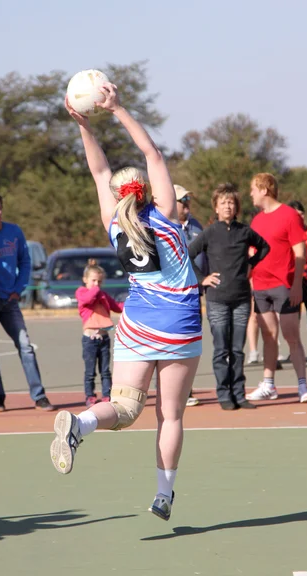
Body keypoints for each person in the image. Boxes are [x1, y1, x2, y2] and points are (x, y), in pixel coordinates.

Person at [50, 83, 202, 521]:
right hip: (179, 326)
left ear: (119, 198)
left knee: (126, 408)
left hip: (135, 325)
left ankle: (81, 424)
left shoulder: (114, 227)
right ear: (146, 190)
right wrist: (116, 109)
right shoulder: (168, 215)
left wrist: (83, 127)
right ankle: (163, 495)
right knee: (169, 415)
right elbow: (152, 152)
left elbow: (99, 173)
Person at [188, 183, 270, 410]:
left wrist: (250, 265)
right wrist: (202, 278)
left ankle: (238, 393)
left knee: (237, 350)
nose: (227, 206)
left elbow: (264, 247)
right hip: (217, 299)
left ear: (237, 207)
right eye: (223, 202)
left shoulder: (244, 231)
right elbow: (187, 254)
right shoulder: (209, 233)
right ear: (215, 207)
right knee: (221, 349)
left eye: (231, 202)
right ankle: (224, 394)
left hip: (242, 298)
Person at [0, 190, 55, 412]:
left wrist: (18, 289)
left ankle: (39, 396)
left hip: (10, 301)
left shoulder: (14, 232)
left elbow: (25, 262)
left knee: (25, 346)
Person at [247, 173, 307, 403]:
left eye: (253, 189)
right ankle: (268, 385)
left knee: (291, 336)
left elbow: (300, 253)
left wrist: (296, 286)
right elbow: (253, 254)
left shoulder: (289, 215)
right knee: (268, 336)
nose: (251, 194)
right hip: (261, 287)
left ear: (265, 189)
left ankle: (303, 386)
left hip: (284, 286)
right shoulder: (256, 221)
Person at [174, 184, 207, 407]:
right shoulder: (164, 227)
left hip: (195, 295)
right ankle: (174, 391)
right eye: (182, 201)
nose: (186, 205)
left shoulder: (196, 226)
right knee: (173, 341)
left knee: (190, 341)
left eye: (188, 200)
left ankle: (186, 388)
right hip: (173, 295)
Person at [76, 260, 123, 407]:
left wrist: (132, 304)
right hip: (89, 340)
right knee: (90, 372)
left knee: (105, 371)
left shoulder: (103, 295)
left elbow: (116, 307)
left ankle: (106, 395)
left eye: (100, 281)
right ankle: (90, 396)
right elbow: (87, 299)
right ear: (85, 280)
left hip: (104, 338)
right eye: (93, 280)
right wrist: (96, 289)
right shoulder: (82, 292)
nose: (97, 284)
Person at [288, 200, 307, 340]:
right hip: (294, 281)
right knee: (293, 317)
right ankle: (295, 350)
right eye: (296, 214)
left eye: (302, 214)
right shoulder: (286, 236)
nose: (300, 217)